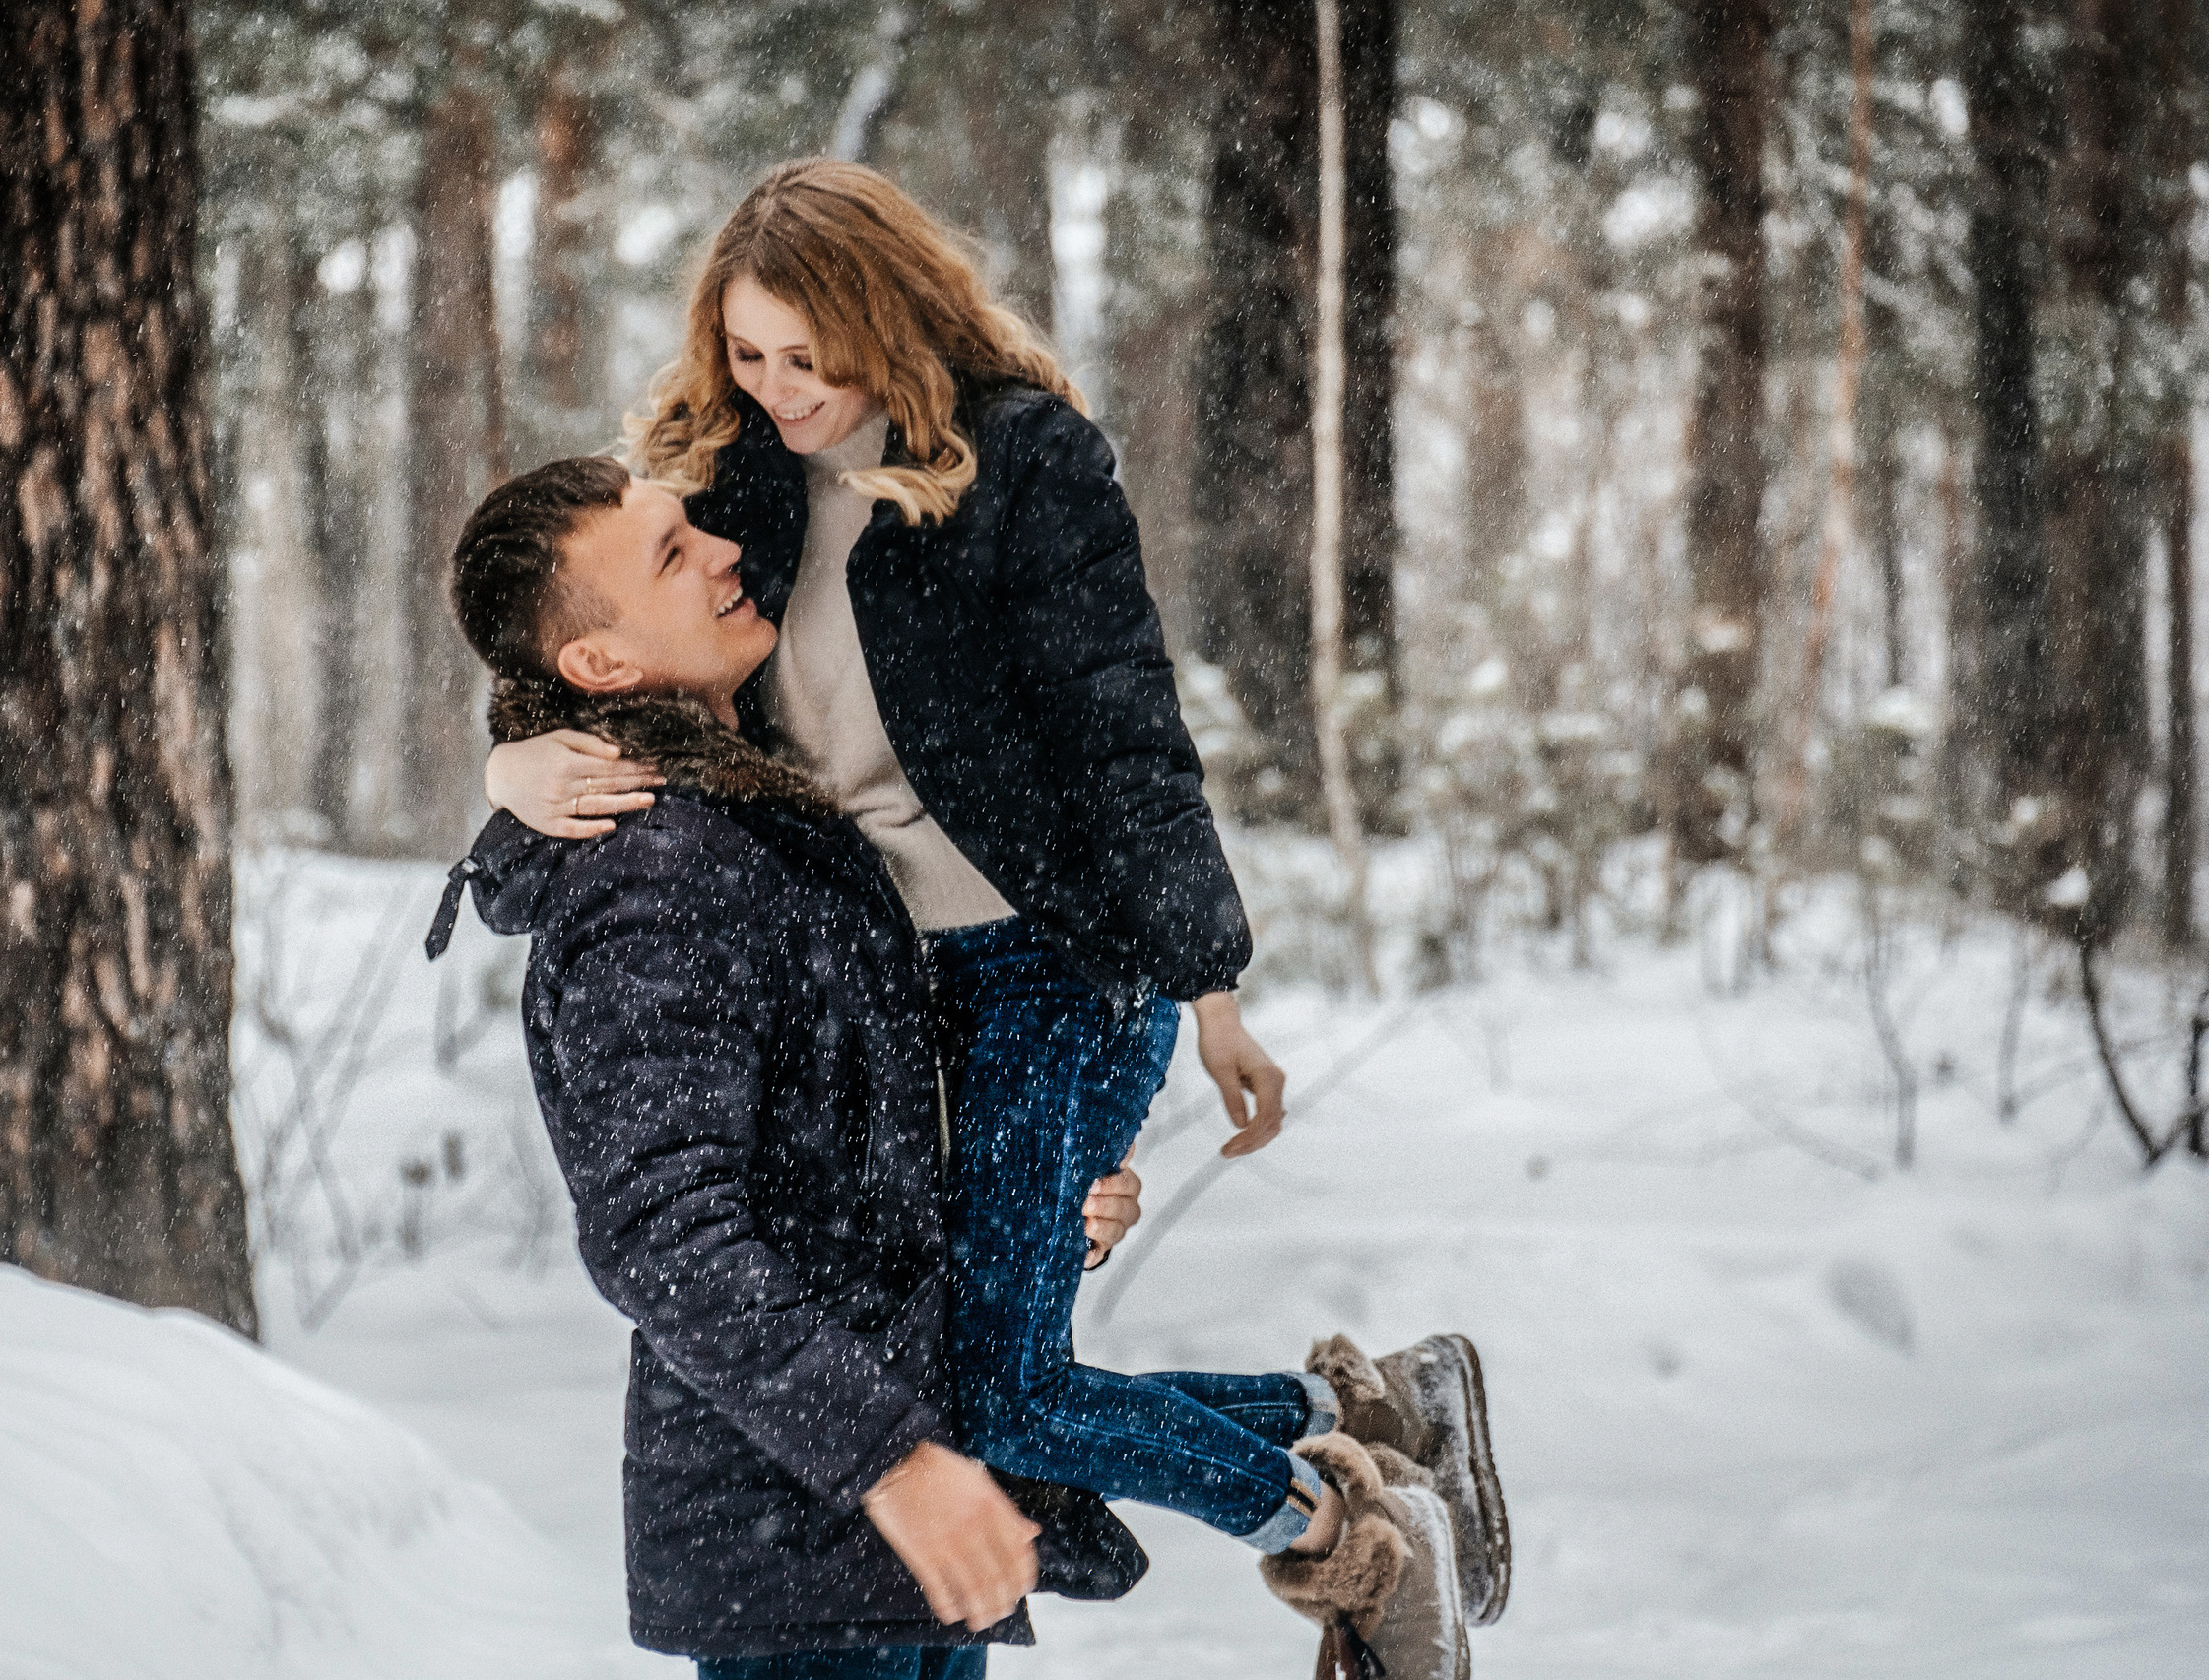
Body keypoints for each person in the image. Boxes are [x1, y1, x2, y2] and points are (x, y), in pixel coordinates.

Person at [481, 159, 1508, 1671]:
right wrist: (509, 762)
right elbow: (587, 637)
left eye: (808, 358)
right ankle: (1363, 1410)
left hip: (1046, 974)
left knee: (1007, 1395)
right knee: (970, 1376)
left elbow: (1124, 729)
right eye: (748, 356)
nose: (778, 390)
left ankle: (1346, 1534)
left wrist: (1207, 982)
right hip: (891, 994)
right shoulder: (736, 489)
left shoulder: (1023, 463)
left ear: (886, 321)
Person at [432, 457, 1157, 1674]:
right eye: (669, 554)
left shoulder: (757, 814)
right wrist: (888, 1458)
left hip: (879, 1545)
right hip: (807, 1549)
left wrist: (1027, 1189)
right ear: (599, 667)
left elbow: (843, 1134)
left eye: (693, 528)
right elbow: (665, 1235)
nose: (720, 550)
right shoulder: (657, 877)